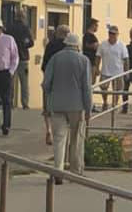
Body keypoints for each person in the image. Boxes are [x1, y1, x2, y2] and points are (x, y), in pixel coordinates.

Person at [42, 33, 92, 184]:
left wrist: (50, 98)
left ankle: (58, 172)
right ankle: (75, 172)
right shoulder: (84, 60)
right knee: (77, 138)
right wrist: (88, 108)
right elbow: (86, 88)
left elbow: (46, 84)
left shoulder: (55, 58)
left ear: (65, 44)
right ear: (77, 46)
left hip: (57, 105)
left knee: (59, 139)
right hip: (77, 106)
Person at [40, 24, 70, 146]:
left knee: (47, 108)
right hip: (65, 83)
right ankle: (61, 133)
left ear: (57, 33)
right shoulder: (69, 47)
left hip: (50, 80)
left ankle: (49, 131)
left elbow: (44, 65)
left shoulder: (50, 45)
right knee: (62, 110)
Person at [5, 9, 34, 110]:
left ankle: (10, 102)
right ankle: (25, 104)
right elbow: (31, 42)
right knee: (24, 82)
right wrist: (24, 44)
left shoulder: (9, 28)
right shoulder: (26, 28)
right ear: (23, 17)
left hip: (10, 58)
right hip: (23, 58)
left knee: (10, 81)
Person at [96, 26, 129, 111]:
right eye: (110, 33)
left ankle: (114, 104)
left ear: (117, 35)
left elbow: (126, 59)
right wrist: (97, 68)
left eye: (114, 34)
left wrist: (126, 71)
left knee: (117, 89)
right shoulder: (103, 44)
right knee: (103, 87)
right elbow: (98, 56)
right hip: (105, 70)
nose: (112, 35)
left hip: (118, 71)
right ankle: (105, 102)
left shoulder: (121, 45)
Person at [82, 18, 100, 90]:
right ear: (92, 25)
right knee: (90, 81)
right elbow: (87, 45)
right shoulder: (88, 36)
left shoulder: (92, 36)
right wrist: (96, 45)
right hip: (90, 61)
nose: (97, 27)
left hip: (93, 62)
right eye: (96, 25)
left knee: (92, 81)